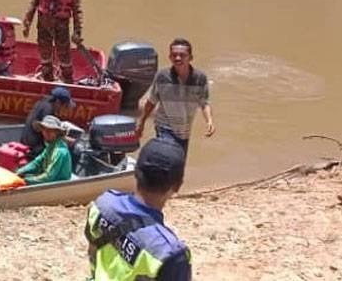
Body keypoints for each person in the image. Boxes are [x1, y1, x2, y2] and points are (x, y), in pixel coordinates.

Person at [84, 138, 191, 280]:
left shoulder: (102, 204)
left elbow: (93, 254)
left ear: (135, 171)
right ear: (178, 186)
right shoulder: (170, 254)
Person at [135, 38, 215, 159]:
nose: (177, 58)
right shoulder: (162, 77)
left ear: (190, 57)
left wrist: (209, 121)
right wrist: (141, 122)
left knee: (178, 165)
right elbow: (152, 101)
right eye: (174, 55)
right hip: (164, 127)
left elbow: (204, 103)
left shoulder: (200, 78)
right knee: (168, 159)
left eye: (182, 55)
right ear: (170, 57)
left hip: (184, 131)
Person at [23, 0, 84, 82]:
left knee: (64, 53)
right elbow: (34, 3)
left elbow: (77, 11)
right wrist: (27, 23)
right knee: (44, 51)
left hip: (61, 24)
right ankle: (47, 77)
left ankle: (67, 79)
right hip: (44, 22)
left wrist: (77, 31)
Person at [21, 86, 76, 159]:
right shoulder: (48, 111)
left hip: (26, 141)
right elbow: (49, 133)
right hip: (35, 147)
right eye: (65, 106)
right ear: (58, 102)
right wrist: (67, 139)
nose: (65, 109)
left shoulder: (42, 103)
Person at [16, 115, 73, 185]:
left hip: (60, 186)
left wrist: (25, 181)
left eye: (50, 130)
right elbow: (37, 163)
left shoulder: (60, 151)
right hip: (51, 182)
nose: (46, 133)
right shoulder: (50, 146)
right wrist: (19, 172)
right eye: (44, 129)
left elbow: (48, 176)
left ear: (57, 132)